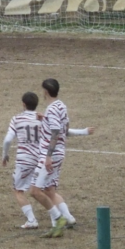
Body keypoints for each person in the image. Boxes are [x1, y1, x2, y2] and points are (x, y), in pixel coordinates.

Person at [29, 78, 95, 237]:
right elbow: (63, 130)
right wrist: (84, 132)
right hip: (60, 153)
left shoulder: (52, 110)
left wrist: (48, 157)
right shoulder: (61, 106)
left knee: (35, 191)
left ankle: (58, 220)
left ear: (45, 91)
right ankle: (68, 218)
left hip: (49, 155)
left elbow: (56, 133)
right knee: (50, 189)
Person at [2, 92, 44, 229]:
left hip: (24, 160)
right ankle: (61, 215)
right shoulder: (42, 118)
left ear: (23, 104)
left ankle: (32, 220)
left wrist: (5, 155)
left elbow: (8, 140)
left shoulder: (17, 119)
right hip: (40, 159)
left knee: (18, 190)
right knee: (45, 189)